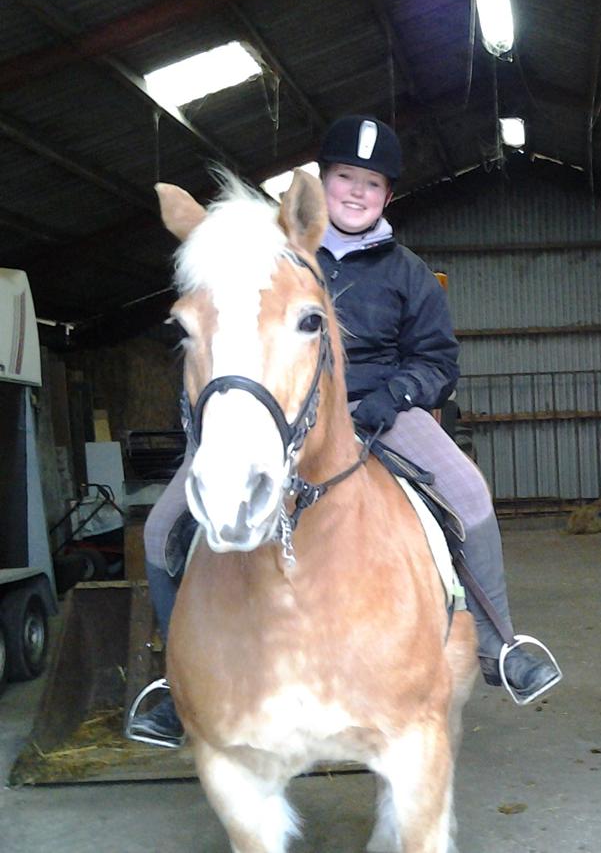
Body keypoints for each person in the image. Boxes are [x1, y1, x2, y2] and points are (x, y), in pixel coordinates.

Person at [127, 115, 561, 747]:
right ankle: (178, 681)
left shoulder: (407, 272)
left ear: (388, 195)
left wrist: (392, 398)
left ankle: (499, 644)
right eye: (345, 178)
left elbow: (437, 361)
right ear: (320, 183)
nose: (357, 192)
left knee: (468, 494)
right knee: (163, 527)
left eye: (372, 183)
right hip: (270, 413)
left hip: (379, 411)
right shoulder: (269, 254)